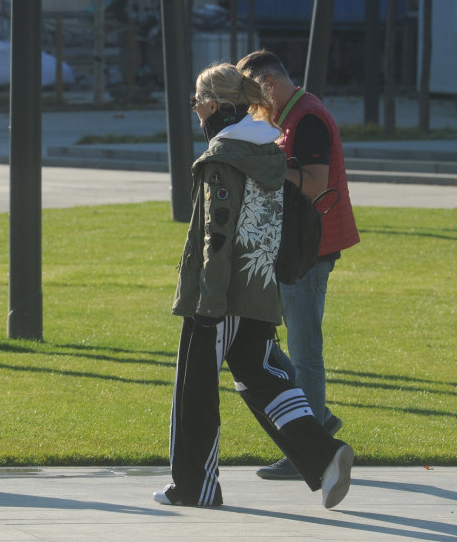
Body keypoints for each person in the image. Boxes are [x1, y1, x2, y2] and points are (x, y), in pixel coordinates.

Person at [154, 62, 353, 509]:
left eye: (196, 104)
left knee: (195, 390)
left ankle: (195, 487)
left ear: (210, 105)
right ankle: (325, 457)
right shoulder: (270, 152)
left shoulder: (220, 158)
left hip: (220, 294)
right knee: (263, 378)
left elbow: (217, 236)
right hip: (261, 288)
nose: (195, 112)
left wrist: (207, 302)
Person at [236, 50, 360, 481]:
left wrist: (268, 167)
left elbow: (315, 183)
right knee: (279, 341)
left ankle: (312, 446)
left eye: (254, 95)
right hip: (301, 245)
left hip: (311, 247)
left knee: (306, 351)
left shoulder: (306, 118)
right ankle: (318, 419)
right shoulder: (292, 113)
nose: (254, 106)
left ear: (270, 83)